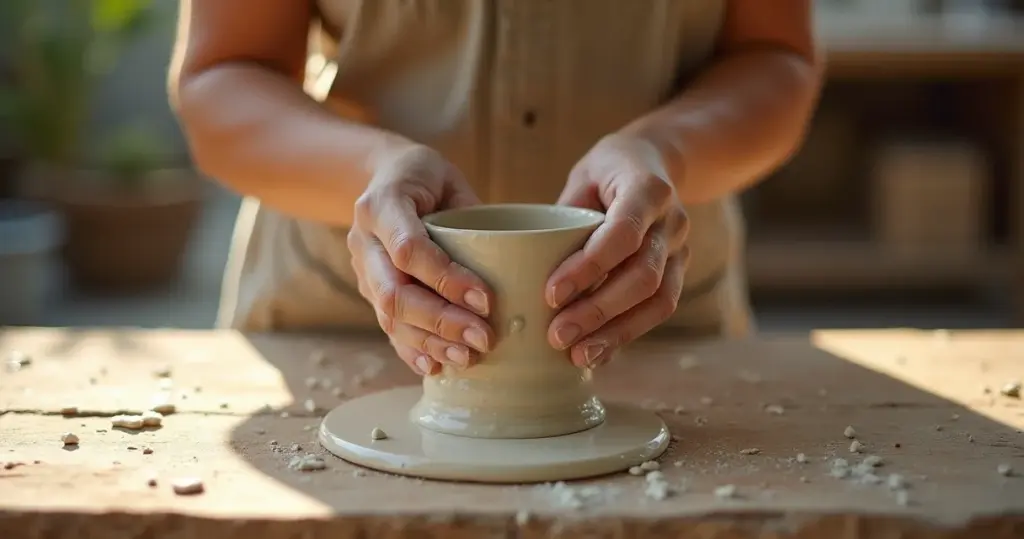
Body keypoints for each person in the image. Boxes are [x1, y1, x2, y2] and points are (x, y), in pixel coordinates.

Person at [169, 0, 822, 376]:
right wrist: (372, 172)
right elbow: (222, 75)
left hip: (653, 325)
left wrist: (664, 151)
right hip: (346, 325)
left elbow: (778, 57)